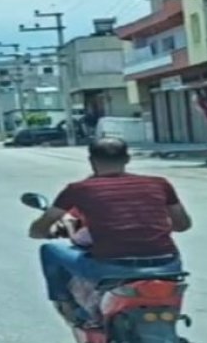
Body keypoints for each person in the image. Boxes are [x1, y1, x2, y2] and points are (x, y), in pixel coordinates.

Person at [28, 137, 192, 328]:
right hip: (167, 265)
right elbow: (183, 225)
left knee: (50, 250)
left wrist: (42, 232)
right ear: (127, 159)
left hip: (111, 268)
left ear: (91, 161)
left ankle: (68, 309)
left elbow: (39, 229)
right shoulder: (160, 184)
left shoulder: (79, 189)